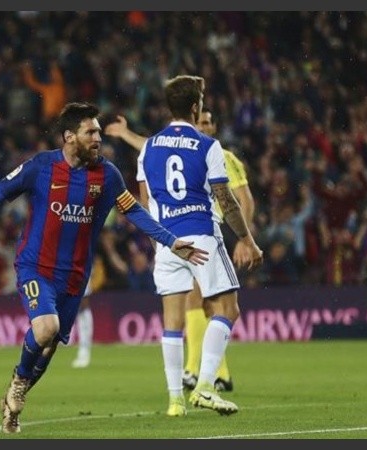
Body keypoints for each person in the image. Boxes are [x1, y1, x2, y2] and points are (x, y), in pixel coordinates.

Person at [0, 102, 209, 434]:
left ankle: (16, 397)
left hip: (74, 276)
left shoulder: (108, 175)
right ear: (70, 137)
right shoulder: (41, 167)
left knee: (51, 344)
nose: (98, 137)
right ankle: (17, 383)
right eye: (91, 132)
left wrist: (171, 241)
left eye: (99, 131)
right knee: (45, 329)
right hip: (35, 267)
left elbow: (135, 212)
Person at [135, 75, 263, 417]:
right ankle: (206, 385)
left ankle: (175, 400)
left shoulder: (148, 147)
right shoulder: (209, 146)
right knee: (228, 309)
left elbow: (145, 203)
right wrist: (248, 240)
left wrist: (161, 243)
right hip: (202, 236)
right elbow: (227, 198)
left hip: (167, 243)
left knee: (172, 321)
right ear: (196, 107)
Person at [105, 108, 255, 392]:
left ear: (214, 127)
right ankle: (214, 373)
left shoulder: (223, 156)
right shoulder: (189, 151)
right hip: (194, 229)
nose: (204, 126)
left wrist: (242, 239)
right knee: (204, 304)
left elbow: (244, 200)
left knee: (207, 305)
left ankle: (195, 371)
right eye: (200, 122)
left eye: (209, 122)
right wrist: (126, 134)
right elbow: (153, 146)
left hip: (214, 230)